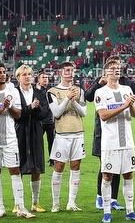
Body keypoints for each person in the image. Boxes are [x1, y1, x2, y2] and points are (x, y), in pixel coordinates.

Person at [94, 61, 135, 223]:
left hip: (127, 142)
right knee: (107, 175)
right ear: (106, 72)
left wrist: (130, 105)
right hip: (110, 142)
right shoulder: (100, 93)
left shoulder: (127, 90)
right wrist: (124, 106)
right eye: (113, 69)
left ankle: (130, 211)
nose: (116, 71)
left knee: (129, 174)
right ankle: (107, 212)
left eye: (118, 69)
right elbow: (103, 115)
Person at [0, 63, 32, 218]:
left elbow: (18, 115)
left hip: (10, 138)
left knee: (15, 171)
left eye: (4, 72)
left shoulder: (13, 92)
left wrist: (9, 107)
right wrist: (1, 109)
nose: (3, 74)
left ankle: (21, 208)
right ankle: (0, 208)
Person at [48, 61, 88, 211]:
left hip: (78, 133)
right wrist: (67, 98)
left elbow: (84, 112)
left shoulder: (79, 91)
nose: (70, 73)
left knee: (75, 166)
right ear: (60, 72)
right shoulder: (52, 91)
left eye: (72, 70)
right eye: (67, 70)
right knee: (59, 167)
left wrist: (73, 101)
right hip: (62, 134)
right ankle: (56, 203)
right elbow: (56, 113)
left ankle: (71, 202)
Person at [14, 65, 51, 213]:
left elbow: (45, 114)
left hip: (36, 131)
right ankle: (18, 203)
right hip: (19, 131)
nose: (27, 76)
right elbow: (18, 114)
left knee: (36, 166)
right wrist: (31, 107)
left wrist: (35, 108)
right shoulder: (14, 93)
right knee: (19, 166)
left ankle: (35, 203)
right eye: (24, 74)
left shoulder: (39, 93)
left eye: (29, 74)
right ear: (18, 78)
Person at [36, 71, 55, 163]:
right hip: (40, 120)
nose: (45, 79)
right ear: (38, 79)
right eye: (43, 77)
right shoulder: (35, 90)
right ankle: (39, 159)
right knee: (38, 142)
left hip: (50, 120)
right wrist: (39, 90)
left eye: (47, 77)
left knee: (52, 141)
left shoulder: (51, 90)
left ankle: (52, 160)